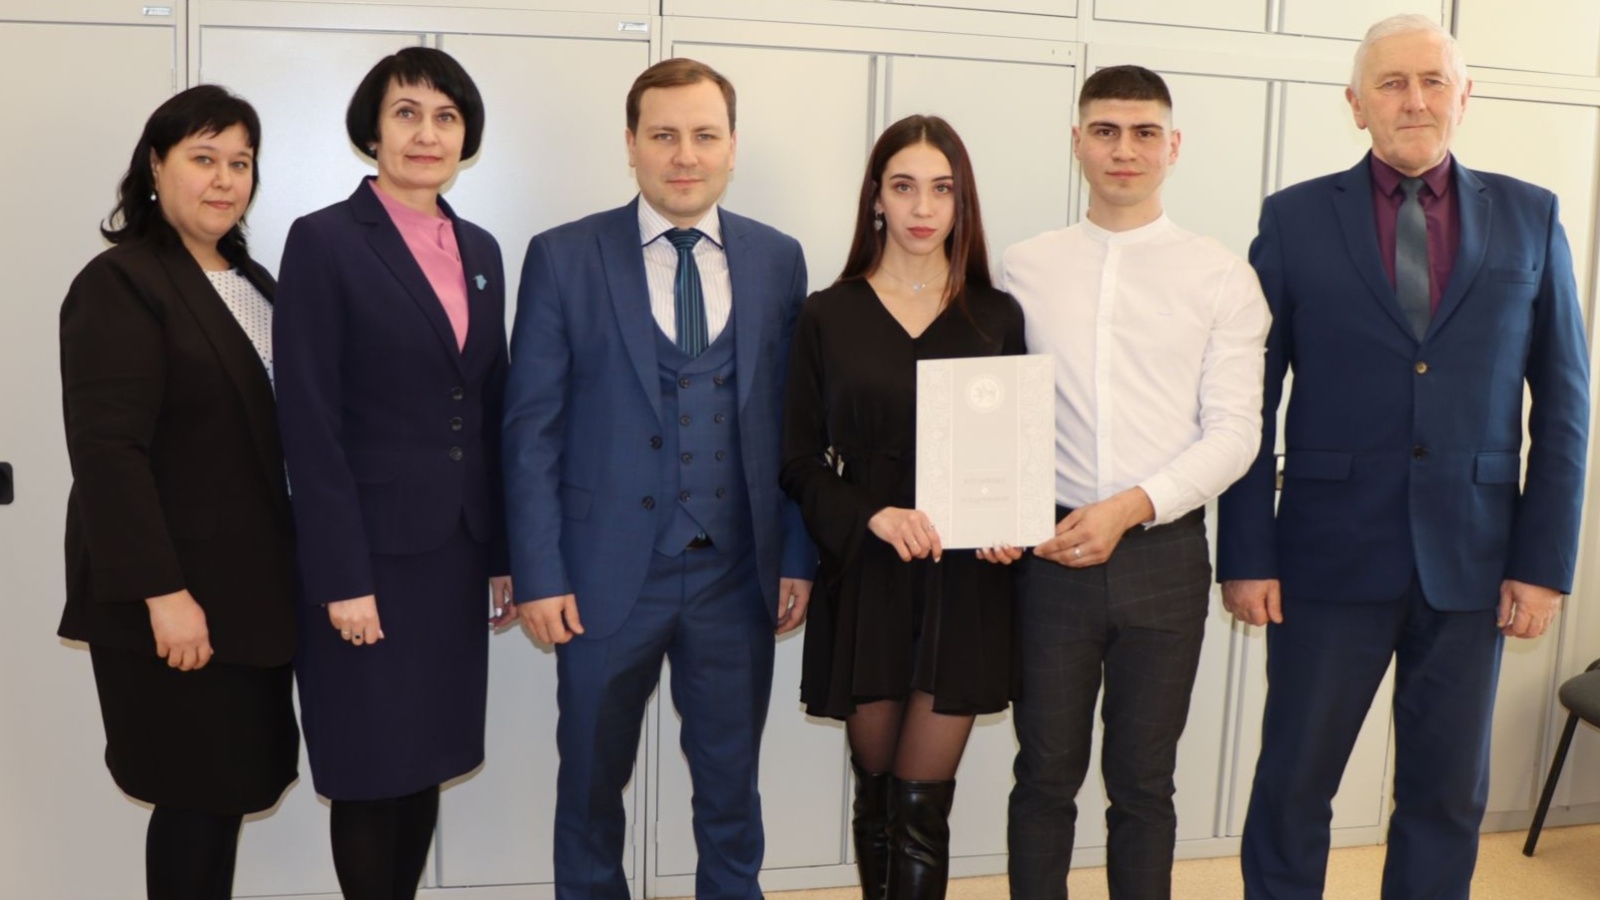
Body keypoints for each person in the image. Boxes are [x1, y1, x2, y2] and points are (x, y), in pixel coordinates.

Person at [1216, 15, 1590, 900]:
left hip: (1473, 563)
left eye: (1432, 80)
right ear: (1357, 104)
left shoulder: (1533, 215)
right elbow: (1247, 400)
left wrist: (1543, 566)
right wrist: (1246, 554)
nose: (1413, 100)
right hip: (1324, 560)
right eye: (1390, 83)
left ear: (1464, 96)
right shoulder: (1294, 218)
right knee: (1293, 785)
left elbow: (1565, 405)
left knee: (1446, 797)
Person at [502, 57, 814, 900]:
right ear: (632, 144)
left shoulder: (777, 259)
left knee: (730, 793)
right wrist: (539, 572)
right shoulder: (563, 256)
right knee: (590, 787)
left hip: (736, 576)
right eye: (664, 135)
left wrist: (796, 554)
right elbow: (530, 430)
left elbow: (794, 425)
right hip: (600, 578)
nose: (685, 155)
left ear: (732, 147)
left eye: (704, 135)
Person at [1002, 66, 1270, 900]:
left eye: (1145, 132)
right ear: (1077, 143)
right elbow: (989, 406)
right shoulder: (1020, 268)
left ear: (1173, 146)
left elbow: (1236, 433)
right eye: (1106, 130)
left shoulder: (1222, 276)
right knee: (1044, 775)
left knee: (1145, 785)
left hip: (1165, 556)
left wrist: (1129, 508)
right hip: (1048, 555)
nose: (1125, 149)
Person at [273, 47, 512, 899]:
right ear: (372, 130)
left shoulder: (480, 248)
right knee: (371, 768)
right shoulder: (325, 240)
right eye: (406, 113)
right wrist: (341, 575)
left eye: (446, 117)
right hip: (365, 560)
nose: (426, 133)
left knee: (424, 761)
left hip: (454, 554)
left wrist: (502, 554)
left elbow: (490, 408)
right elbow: (308, 421)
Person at [58, 84, 297, 899]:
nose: (225, 179)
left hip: (250, 598)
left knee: (225, 795)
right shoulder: (121, 282)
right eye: (203, 158)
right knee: (195, 800)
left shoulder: (254, 281)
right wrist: (164, 595)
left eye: (241, 162)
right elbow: (108, 452)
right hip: (175, 604)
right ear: (155, 167)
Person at [780, 114, 1024, 900]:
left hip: (965, 579)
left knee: (923, 805)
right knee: (878, 789)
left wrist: (1011, 526)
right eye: (905, 186)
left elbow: (1019, 452)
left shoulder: (996, 315)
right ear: (876, 198)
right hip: (868, 569)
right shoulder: (828, 312)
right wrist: (870, 516)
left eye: (942, 189)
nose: (924, 207)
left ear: (962, 203)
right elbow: (797, 459)